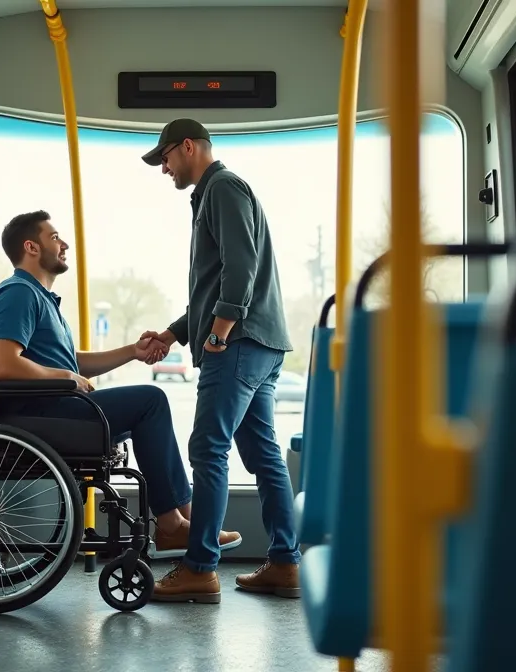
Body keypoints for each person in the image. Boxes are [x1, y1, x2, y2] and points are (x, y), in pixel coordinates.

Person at [0, 209, 242, 557]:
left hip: (57, 408)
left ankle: (185, 522)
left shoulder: (39, 298)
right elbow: (0, 364)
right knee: (149, 402)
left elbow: (74, 363)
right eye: (54, 237)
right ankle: (174, 525)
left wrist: (132, 352)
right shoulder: (18, 293)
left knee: (148, 402)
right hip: (42, 415)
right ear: (31, 247)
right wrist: (64, 377)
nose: (64, 244)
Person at [139, 118, 300, 602]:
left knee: (208, 447)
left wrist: (220, 332)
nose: (164, 169)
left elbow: (241, 265)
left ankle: (199, 567)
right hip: (263, 343)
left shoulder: (223, 187)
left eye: (165, 158)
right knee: (262, 454)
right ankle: (286, 563)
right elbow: (212, 286)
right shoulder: (213, 194)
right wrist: (172, 333)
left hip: (239, 342)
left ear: (188, 147)